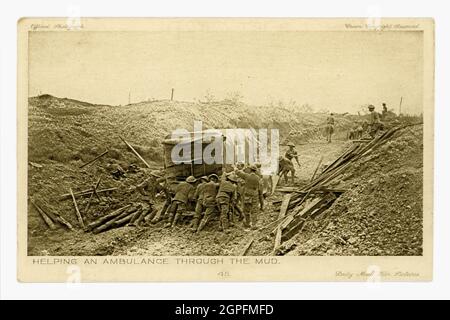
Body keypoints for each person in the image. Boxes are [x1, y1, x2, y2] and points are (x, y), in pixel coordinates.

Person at [235, 164, 264, 230]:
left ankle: (247, 223)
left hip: (247, 194)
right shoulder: (258, 178)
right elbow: (260, 188)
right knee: (254, 210)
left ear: (250, 170)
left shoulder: (246, 176)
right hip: (255, 195)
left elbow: (238, 173)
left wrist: (235, 168)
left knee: (246, 209)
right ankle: (254, 224)